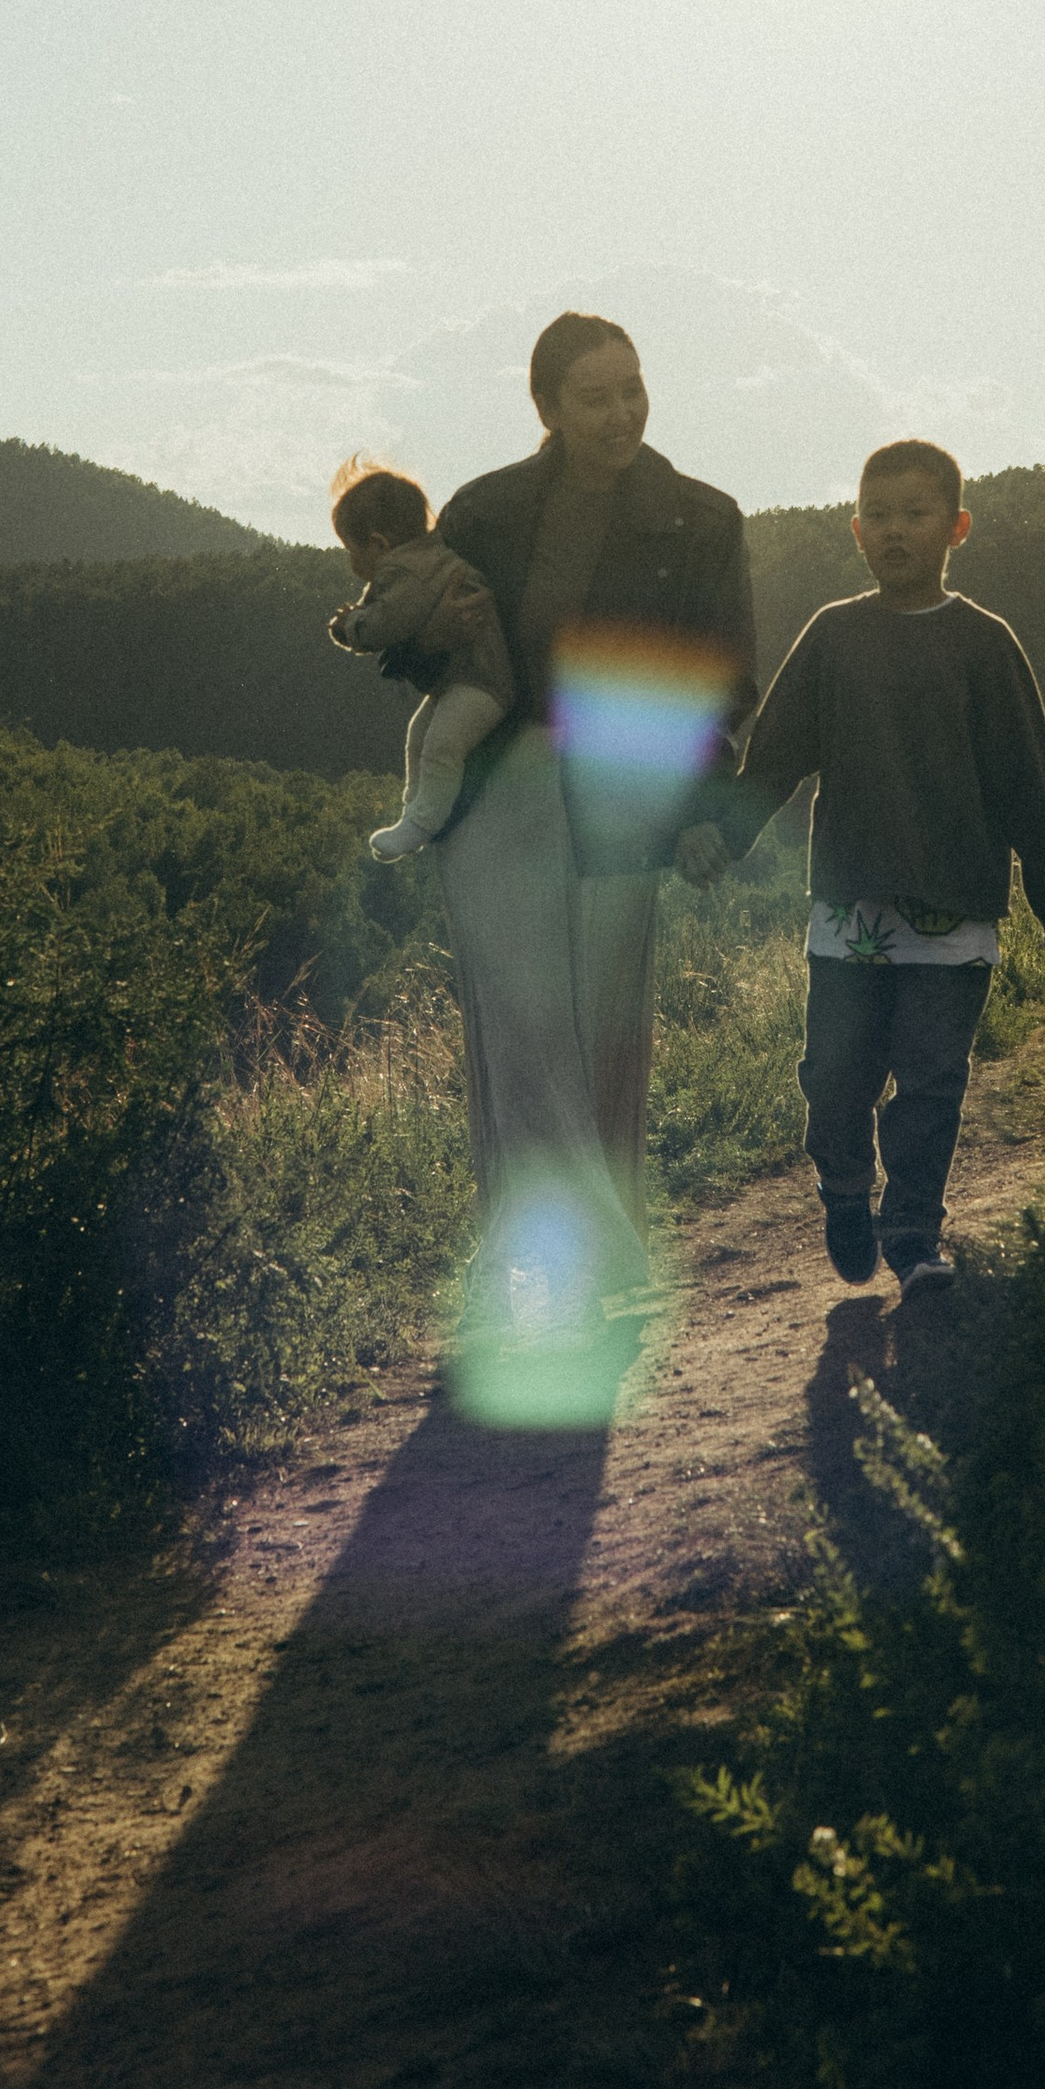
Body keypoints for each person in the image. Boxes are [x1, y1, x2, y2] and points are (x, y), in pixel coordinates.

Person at [681, 436, 1045, 1298]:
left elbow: (1029, 782)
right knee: (835, 1076)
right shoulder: (834, 635)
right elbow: (776, 758)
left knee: (932, 1081)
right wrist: (729, 836)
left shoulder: (984, 645)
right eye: (880, 516)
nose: (896, 531)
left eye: (917, 514)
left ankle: (914, 1233)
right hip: (851, 906)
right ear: (855, 530)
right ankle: (843, 1189)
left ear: (958, 527)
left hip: (956, 910)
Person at [432, 314, 755, 1352]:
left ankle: (601, 1275)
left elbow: (722, 678)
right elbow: (442, 664)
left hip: (625, 796)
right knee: (516, 1044)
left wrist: (707, 811)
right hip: (503, 801)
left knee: (604, 1043)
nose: (621, 413)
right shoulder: (481, 514)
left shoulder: (702, 521)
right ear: (547, 409)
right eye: (594, 397)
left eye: (633, 388)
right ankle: (525, 1268)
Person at [325, 459, 516, 860]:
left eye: (351, 550)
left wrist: (349, 628)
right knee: (419, 733)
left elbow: (386, 623)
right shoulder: (426, 556)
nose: (351, 563)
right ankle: (413, 813)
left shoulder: (406, 574)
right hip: (466, 679)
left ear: (378, 544)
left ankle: (424, 821)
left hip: (483, 682)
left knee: (442, 744)